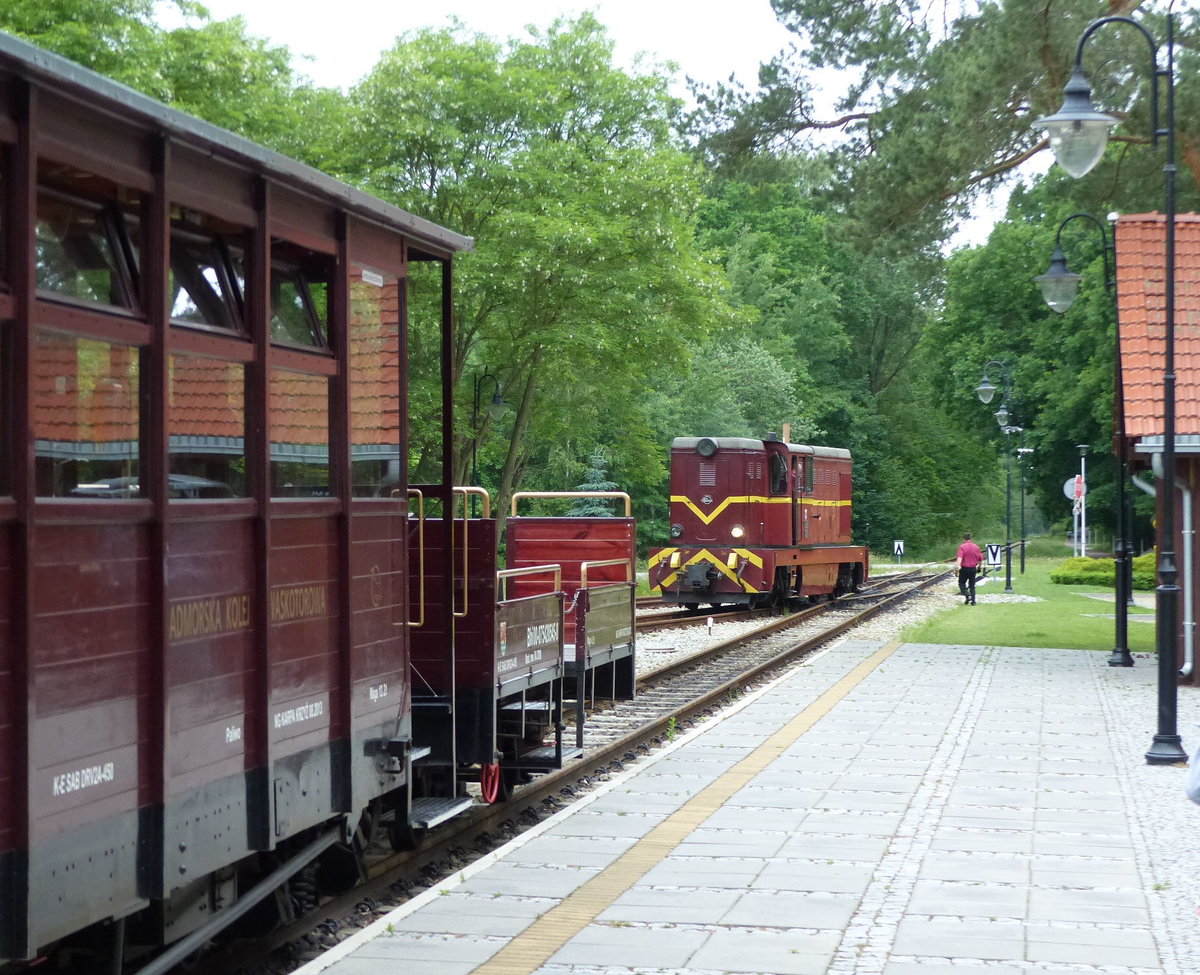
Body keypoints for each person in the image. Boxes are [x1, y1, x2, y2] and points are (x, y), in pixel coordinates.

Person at [956, 532, 984, 605]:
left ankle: (968, 595)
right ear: (971, 538)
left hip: (964, 568)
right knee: (972, 585)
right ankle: (973, 601)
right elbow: (980, 559)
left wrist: (958, 566)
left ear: (964, 539)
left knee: (961, 583)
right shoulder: (976, 547)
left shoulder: (962, 547)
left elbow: (960, 557)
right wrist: (979, 567)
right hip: (973, 568)